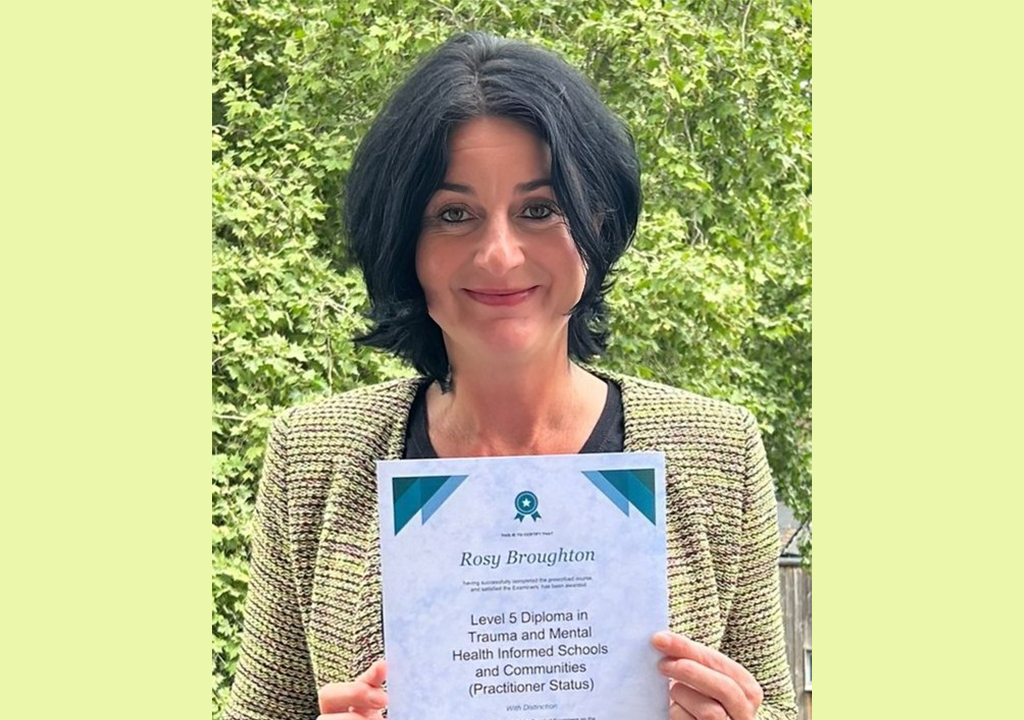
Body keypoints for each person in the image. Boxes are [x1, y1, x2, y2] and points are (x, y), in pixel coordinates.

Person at [224, 32, 798, 720]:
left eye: (540, 209)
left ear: (598, 223)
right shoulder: (313, 456)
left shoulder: (718, 455)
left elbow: (774, 706)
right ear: (405, 242)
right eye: (454, 214)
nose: (499, 255)